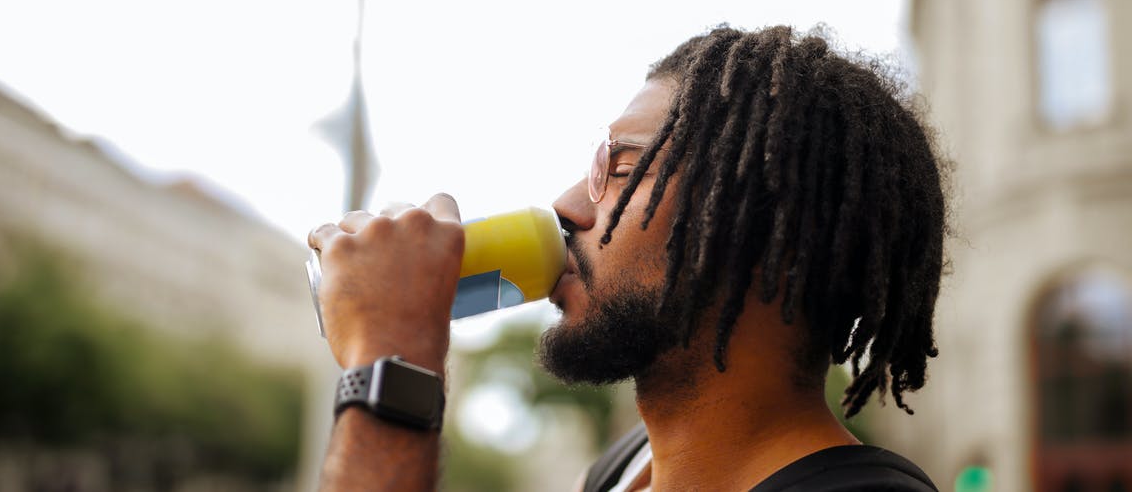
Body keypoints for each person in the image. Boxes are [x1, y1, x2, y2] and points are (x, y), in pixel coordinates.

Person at [308, 25, 947, 491]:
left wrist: (393, 360)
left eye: (620, 169)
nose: (564, 206)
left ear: (767, 225)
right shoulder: (622, 471)